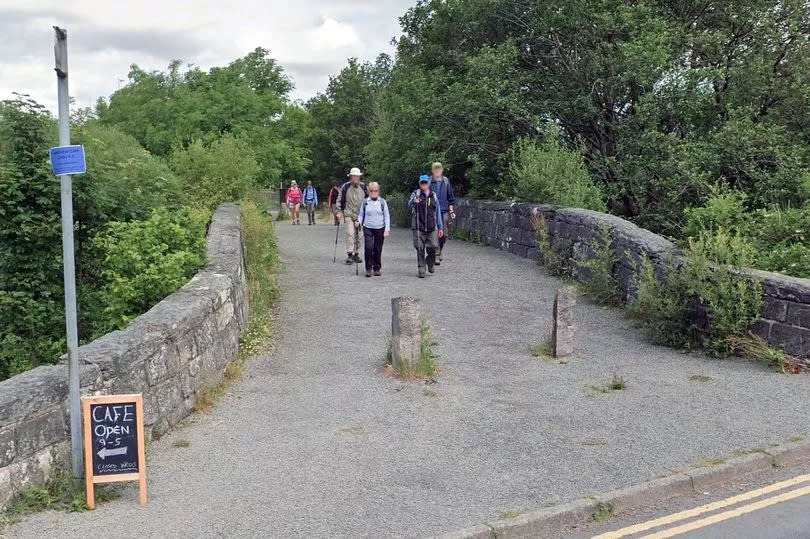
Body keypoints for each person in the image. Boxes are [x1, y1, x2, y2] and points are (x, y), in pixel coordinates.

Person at [408, 175, 444, 278]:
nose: (424, 185)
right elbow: (409, 204)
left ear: (429, 183)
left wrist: (440, 227)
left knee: (433, 246)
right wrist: (414, 201)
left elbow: (437, 212)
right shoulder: (416, 194)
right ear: (420, 184)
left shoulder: (434, 195)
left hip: (432, 227)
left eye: (425, 183)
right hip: (419, 226)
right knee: (419, 248)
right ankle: (421, 268)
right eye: (422, 183)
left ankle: (430, 261)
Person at [356, 182, 391, 277]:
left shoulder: (382, 202)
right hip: (368, 227)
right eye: (371, 191)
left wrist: (387, 229)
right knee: (368, 247)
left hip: (380, 228)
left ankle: (377, 268)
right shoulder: (365, 202)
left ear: (378, 191)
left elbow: (387, 216)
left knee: (377, 249)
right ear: (368, 191)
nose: (373, 193)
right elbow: (361, 214)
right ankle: (368, 268)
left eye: (375, 191)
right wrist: (358, 221)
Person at [335, 167, 368, 264]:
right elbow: (339, 200)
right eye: (354, 176)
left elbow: (368, 201)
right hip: (348, 213)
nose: (356, 178)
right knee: (350, 233)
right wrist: (338, 212)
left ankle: (356, 253)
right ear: (351, 177)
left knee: (360, 235)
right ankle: (350, 254)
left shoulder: (363, 187)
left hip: (360, 215)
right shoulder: (345, 187)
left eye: (357, 176)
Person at [429, 161, 456, 264]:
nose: (437, 170)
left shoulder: (446, 181)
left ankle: (440, 249)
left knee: (444, 234)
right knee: (435, 233)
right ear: (433, 171)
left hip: (444, 210)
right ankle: (436, 255)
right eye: (435, 169)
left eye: (439, 168)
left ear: (441, 170)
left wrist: (451, 210)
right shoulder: (429, 181)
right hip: (433, 211)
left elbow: (451, 198)